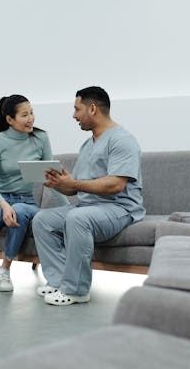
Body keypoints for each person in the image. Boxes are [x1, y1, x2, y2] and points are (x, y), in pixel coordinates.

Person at [32, 86, 145, 306]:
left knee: (77, 218)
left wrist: (74, 183)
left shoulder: (122, 140)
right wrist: (58, 184)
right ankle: (58, 281)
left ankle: (76, 290)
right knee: (42, 220)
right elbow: (77, 188)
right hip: (88, 208)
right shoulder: (87, 144)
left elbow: (116, 185)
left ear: (92, 109)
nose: (74, 115)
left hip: (120, 209)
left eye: (77, 109)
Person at [0, 94, 65, 301]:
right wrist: (3, 205)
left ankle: (4, 270)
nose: (31, 119)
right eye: (25, 115)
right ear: (9, 120)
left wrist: (69, 208)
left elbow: (52, 179)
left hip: (26, 202)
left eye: (32, 112)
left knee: (19, 210)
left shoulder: (41, 139)